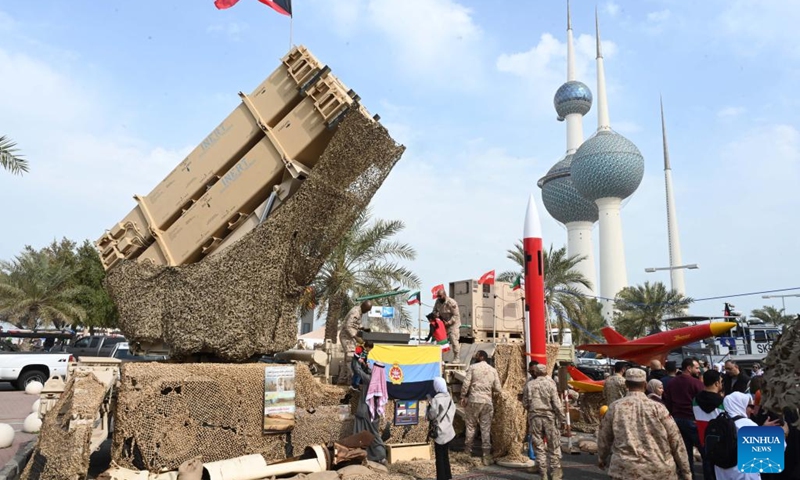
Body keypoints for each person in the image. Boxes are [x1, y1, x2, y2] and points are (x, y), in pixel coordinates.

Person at [597, 368, 691, 480]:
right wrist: (686, 472)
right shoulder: (658, 408)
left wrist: (602, 459)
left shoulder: (615, 407)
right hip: (659, 470)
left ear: (626, 384)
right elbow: (676, 440)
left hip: (625, 471)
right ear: (645, 385)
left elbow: (604, 438)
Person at [663, 357, 704, 480]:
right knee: (704, 451)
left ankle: (690, 476)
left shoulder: (672, 383)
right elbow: (703, 401)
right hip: (692, 419)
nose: (698, 370)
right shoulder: (696, 383)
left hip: (677, 419)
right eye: (696, 368)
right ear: (689, 368)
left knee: (686, 453)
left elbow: (668, 401)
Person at [523, 363, 566, 480]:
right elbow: (557, 404)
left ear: (536, 372)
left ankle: (543, 472)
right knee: (553, 445)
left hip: (535, 418)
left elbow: (525, 403)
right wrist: (562, 419)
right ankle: (555, 472)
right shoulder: (550, 384)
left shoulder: (529, 385)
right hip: (549, 418)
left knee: (539, 446)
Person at [460, 350, 501, 466]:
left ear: (481, 356)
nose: (475, 356)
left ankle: (467, 452)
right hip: (487, 402)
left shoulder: (473, 368)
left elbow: (466, 384)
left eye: (477, 355)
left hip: (473, 400)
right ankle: (486, 455)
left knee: (470, 426)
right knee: (486, 428)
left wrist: (463, 396)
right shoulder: (493, 370)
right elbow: (498, 388)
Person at [713, 392, 761, 480]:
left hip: (721, 472)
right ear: (740, 405)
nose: (752, 410)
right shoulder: (747, 424)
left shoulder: (719, 422)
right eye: (749, 406)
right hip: (744, 474)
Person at [352, 358, 387, 463]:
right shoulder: (381, 381)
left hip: (365, 412)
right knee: (374, 435)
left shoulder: (370, 380)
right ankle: (380, 456)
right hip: (375, 413)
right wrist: (366, 365)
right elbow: (370, 372)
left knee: (359, 434)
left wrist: (356, 359)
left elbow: (357, 371)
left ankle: (360, 456)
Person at [693, 369, 724, 480]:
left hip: (703, 439)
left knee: (707, 467)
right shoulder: (722, 402)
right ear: (716, 383)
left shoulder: (695, 400)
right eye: (721, 381)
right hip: (720, 441)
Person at [427, 377, 456, 480]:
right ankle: (448, 476)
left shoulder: (436, 399)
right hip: (448, 430)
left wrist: (429, 406)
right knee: (445, 455)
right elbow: (453, 411)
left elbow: (432, 415)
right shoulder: (449, 398)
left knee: (439, 457)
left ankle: (441, 477)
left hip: (440, 432)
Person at [338, 300, 372, 385]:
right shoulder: (355, 312)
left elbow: (355, 324)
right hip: (346, 337)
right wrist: (355, 337)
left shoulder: (359, 311)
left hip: (350, 337)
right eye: (367, 310)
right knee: (351, 357)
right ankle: (352, 381)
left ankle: (342, 380)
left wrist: (363, 328)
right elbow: (348, 326)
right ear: (363, 307)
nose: (366, 312)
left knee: (348, 359)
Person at [432, 289, 461, 363]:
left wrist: (449, 322)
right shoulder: (438, 301)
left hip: (453, 324)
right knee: (440, 341)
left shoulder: (451, 302)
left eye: (440, 296)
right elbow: (434, 311)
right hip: (442, 324)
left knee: (454, 340)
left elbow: (456, 315)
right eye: (438, 296)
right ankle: (440, 358)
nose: (439, 298)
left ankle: (457, 358)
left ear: (444, 295)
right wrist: (436, 314)